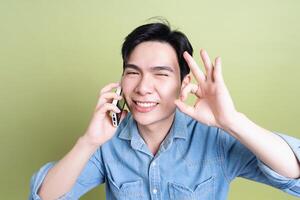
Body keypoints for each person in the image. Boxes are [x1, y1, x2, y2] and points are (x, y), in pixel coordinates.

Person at [29, 21, 300, 200]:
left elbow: (294, 175)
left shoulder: (214, 138)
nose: (143, 87)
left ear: (184, 84)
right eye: (133, 72)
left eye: (160, 74)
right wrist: (88, 142)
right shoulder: (107, 142)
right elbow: (44, 197)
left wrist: (232, 122)